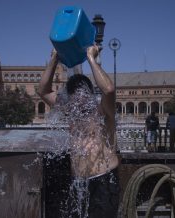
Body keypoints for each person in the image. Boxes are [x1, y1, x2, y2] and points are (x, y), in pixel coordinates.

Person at [38, 45, 119, 218]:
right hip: (78, 183)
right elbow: (43, 91)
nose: (79, 97)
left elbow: (109, 89)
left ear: (90, 93)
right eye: (74, 93)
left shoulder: (103, 111)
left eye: (83, 92)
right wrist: (55, 58)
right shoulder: (70, 112)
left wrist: (91, 58)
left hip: (103, 181)